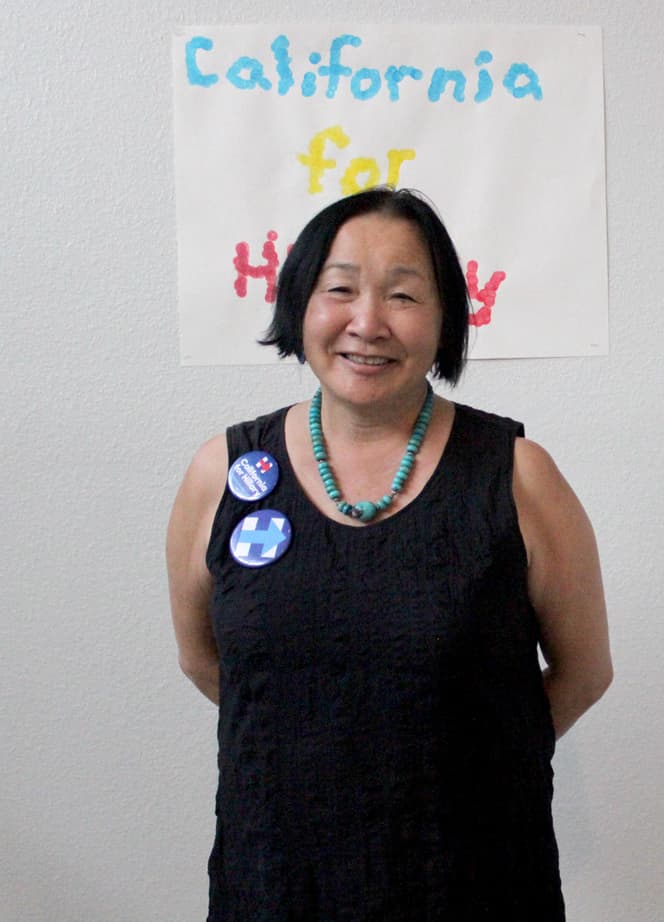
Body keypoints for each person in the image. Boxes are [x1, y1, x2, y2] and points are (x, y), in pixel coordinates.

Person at [166, 187, 612, 920]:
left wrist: (460, 755)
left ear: (444, 323)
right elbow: (206, 661)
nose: (366, 323)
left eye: (402, 295)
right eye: (339, 289)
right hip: (276, 881)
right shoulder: (224, 473)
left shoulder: (517, 475)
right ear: (300, 305)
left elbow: (585, 673)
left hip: (471, 881)